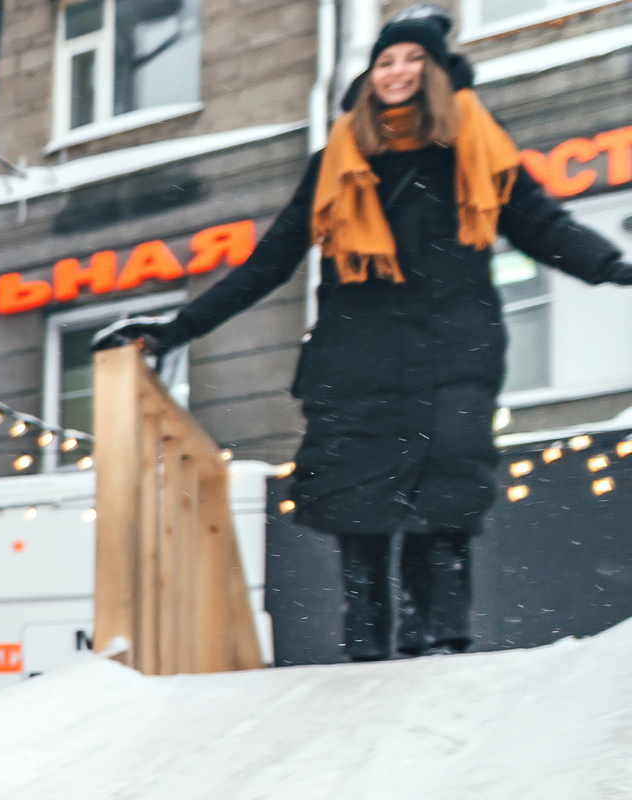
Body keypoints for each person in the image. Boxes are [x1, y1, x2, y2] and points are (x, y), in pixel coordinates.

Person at [94, 4, 632, 661]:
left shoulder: (478, 151)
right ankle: (368, 649)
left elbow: (544, 226)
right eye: (386, 61)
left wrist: (615, 268)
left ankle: (438, 641)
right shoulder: (336, 163)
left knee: (446, 495)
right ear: (370, 74)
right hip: (357, 360)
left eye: (413, 60)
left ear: (437, 72)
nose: (398, 72)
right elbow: (271, 261)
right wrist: (179, 327)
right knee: (360, 506)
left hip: (453, 353)